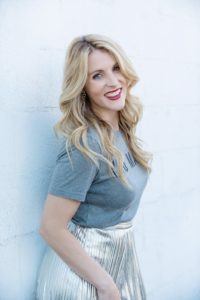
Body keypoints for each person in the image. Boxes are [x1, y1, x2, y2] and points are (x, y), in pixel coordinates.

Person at [36, 34, 153, 300]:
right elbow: (51, 227)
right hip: (83, 276)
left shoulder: (120, 132)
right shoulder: (85, 146)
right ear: (82, 86)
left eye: (115, 68)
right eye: (97, 75)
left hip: (117, 262)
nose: (113, 82)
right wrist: (106, 286)